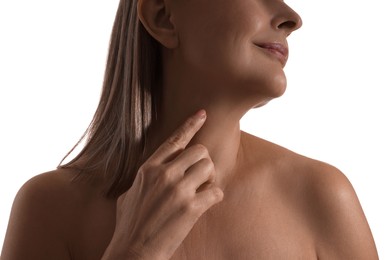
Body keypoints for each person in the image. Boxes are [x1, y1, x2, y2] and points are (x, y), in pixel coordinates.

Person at [1, 0, 379, 259]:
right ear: (164, 16)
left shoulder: (324, 197)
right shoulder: (48, 211)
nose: (290, 16)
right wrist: (134, 253)